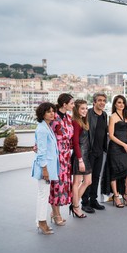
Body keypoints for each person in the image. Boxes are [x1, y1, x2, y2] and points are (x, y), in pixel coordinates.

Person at [31, 102, 59, 235]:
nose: (52, 113)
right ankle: (42, 222)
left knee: (42, 194)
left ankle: (39, 221)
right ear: (42, 114)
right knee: (43, 195)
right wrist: (45, 170)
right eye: (49, 111)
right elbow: (41, 152)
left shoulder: (47, 126)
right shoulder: (42, 129)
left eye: (53, 111)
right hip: (45, 168)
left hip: (48, 166)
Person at [81, 92, 108, 213]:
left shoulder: (104, 115)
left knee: (96, 177)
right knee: (87, 179)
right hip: (89, 151)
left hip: (99, 151)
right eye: (99, 100)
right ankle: (84, 202)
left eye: (104, 100)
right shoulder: (88, 114)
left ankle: (93, 200)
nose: (102, 102)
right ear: (94, 102)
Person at [50, 93, 74, 225]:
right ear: (64, 104)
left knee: (63, 184)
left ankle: (55, 212)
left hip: (66, 155)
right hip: (56, 155)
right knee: (56, 184)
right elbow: (48, 134)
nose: (73, 105)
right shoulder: (54, 118)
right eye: (71, 103)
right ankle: (56, 213)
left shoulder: (68, 117)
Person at [108, 95, 127, 208]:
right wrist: (124, 145)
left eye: (123, 102)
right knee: (115, 172)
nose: (121, 104)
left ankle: (126, 195)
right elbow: (111, 136)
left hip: (126, 149)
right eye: (119, 102)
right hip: (115, 148)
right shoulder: (112, 117)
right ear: (115, 104)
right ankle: (116, 196)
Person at [69, 99, 92, 218]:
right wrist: (80, 160)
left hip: (85, 155)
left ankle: (74, 204)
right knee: (77, 182)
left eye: (86, 108)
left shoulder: (83, 122)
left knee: (88, 181)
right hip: (80, 157)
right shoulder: (76, 122)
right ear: (76, 110)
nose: (85, 110)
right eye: (82, 108)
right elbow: (76, 143)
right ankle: (76, 207)